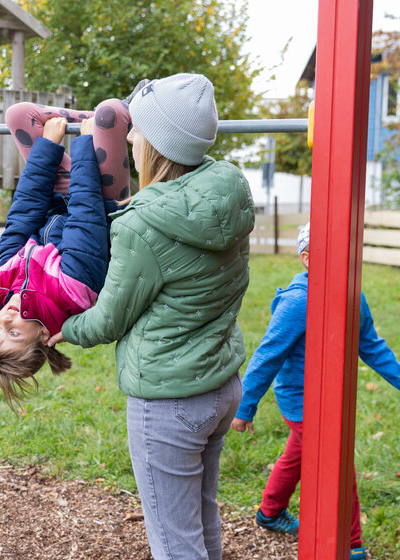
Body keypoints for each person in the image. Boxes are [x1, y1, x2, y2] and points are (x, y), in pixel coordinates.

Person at [49, 73, 255, 560]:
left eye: (137, 128)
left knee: (173, 544)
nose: (130, 136)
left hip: (169, 399)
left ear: (159, 143)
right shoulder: (228, 197)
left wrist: (65, 329)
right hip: (221, 384)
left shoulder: (142, 224)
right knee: (201, 524)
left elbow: (108, 321)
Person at [231, 222, 400, 560]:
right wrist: (244, 407)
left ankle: (270, 511)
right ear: (307, 258)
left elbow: (371, 347)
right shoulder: (298, 302)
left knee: (297, 454)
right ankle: (351, 545)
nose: (344, 261)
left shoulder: (353, 295)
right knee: (340, 465)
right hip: (301, 399)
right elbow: (268, 354)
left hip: (329, 397)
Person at [0, 96, 133, 408]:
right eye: (14, 334)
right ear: (44, 339)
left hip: (60, 194)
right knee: (110, 114)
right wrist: (84, 143)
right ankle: (120, 115)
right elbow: (86, 216)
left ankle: (97, 119)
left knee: (19, 115)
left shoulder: (4, 282)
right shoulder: (72, 293)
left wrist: (48, 148)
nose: (5, 319)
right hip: (103, 197)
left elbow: (23, 213)